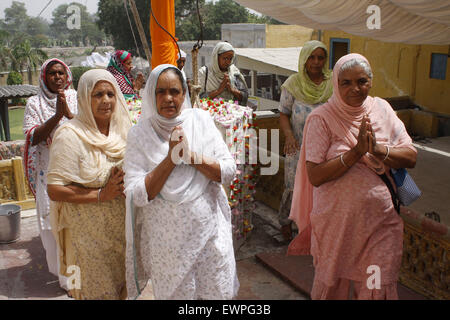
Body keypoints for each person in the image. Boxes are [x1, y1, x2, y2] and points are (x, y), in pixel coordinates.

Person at [287, 53, 417, 300]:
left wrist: (377, 150)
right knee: (333, 287)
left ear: (371, 81)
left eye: (362, 81)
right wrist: (357, 152)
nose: (355, 89)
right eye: (346, 82)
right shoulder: (322, 118)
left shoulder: (383, 109)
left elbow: (410, 156)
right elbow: (315, 175)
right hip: (338, 227)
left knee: (376, 288)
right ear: (336, 83)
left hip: (381, 224)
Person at [124, 64, 239, 300]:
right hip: (169, 249)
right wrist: (170, 160)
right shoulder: (139, 134)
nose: (168, 98)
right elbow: (136, 194)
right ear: (151, 95)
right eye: (161, 92)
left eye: (174, 91)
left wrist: (191, 157)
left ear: (184, 94)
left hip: (210, 240)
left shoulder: (201, 121)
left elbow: (228, 170)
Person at [46, 69, 132, 299]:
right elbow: (54, 190)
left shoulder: (123, 130)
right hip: (85, 239)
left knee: (122, 289)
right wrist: (100, 195)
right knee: (90, 292)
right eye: (97, 95)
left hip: (120, 233)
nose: (106, 101)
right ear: (85, 97)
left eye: (110, 94)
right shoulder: (70, 135)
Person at [23, 58, 78, 292]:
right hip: (49, 173)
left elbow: (89, 128)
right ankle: (64, 280)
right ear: (44, 77)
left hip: (76, 171)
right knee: (52, 228)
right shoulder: (33, 103)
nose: (57, 77)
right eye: (52, 74)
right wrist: (57, 116)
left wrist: (67, 112)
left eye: (61, 73)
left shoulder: (76, 97)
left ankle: (78, 277)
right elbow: (33, 136)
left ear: (67, 77)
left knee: (76, 224)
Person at [278, 40, 333, 241]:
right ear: (304, 59)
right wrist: (289, 136)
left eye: (321, 58)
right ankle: (286, 223)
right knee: (293, 187)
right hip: (297, 145)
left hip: (325, 149)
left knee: (320, 189)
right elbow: (283, 113)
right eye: (312, 57)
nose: (316, 62)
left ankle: (313, 229)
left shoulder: (332, 82)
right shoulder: (293, 83)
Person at [198, 42, 248, 106]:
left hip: (231, 113)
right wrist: (218, 91)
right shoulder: (204, 73)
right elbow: (198, 98)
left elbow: (244, 97)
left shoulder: (234, 72)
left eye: (230, 59)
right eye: (225, 58)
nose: (228, 62)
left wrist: (232, 90)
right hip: (210, 113)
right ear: (216, 57)